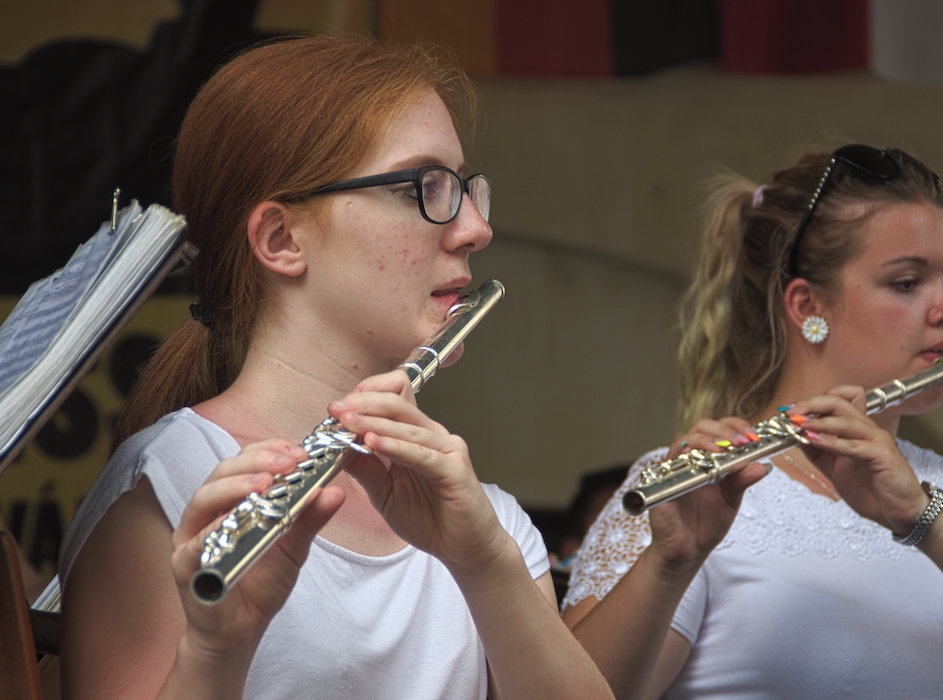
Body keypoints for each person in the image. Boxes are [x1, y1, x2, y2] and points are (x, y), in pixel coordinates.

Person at [56, 34, 612, 699]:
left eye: (465, 188)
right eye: (421, 187)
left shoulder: (488, 521)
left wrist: (487, 563)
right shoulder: (168, 488)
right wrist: (216, 652)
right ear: (282, 239)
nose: (474, 229)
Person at [561, 144, 943, 698]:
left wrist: (922, 517)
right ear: (807, 306)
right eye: (907, 282)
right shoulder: (698, 490)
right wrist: (669, 561)